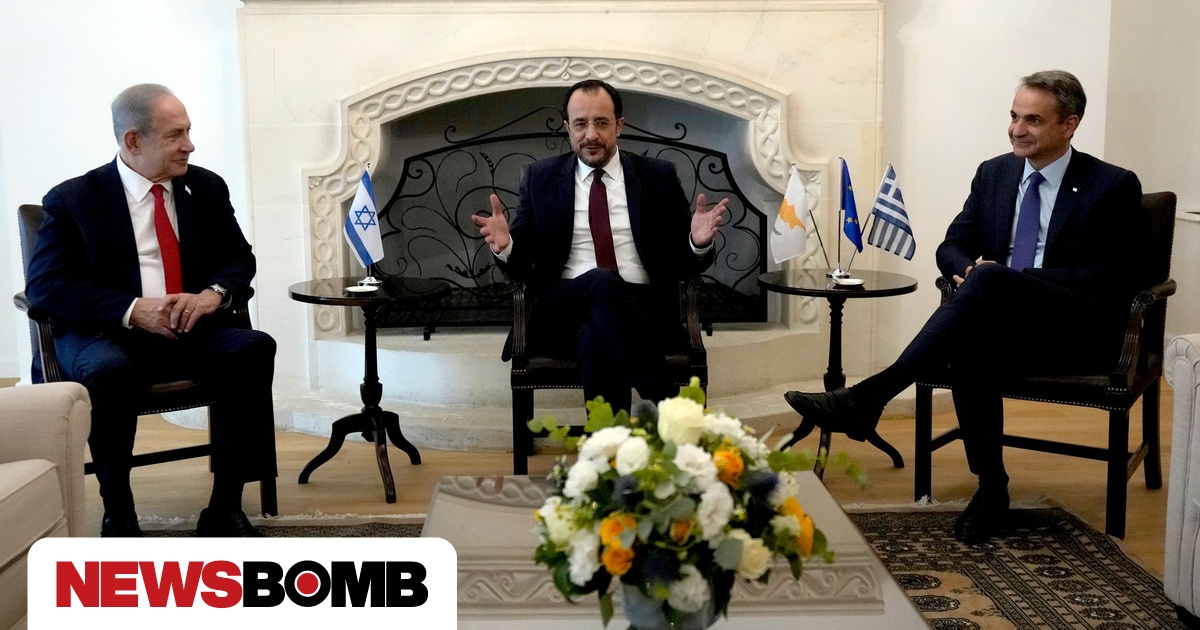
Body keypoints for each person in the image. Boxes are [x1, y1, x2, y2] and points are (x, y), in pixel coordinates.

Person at [783, 70, 1146, 544]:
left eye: (1033, 120)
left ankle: (868, 399)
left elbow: (1110, 277)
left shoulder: (1112, 184)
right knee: (970, 340)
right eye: (1014, 116)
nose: (1017, 129)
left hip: (1076, 328)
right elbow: (951, 246)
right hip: (1002, 323)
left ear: (1069, 124)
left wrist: (1011, 279)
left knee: (990, 282)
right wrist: (972, 271)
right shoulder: (995, 173)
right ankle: (992, 488)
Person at [25, 84, 278, 537]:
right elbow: (46, 285)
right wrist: (132, 309)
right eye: (176, 134)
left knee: (255, 348)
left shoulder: (205, 187)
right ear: (134, 141)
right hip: (108, 334)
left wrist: (211, 295)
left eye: (189, 131)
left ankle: (224, 508)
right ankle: (119, 513)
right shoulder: (74, 199)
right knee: (111, 372)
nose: (189, 145)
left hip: (191, 326)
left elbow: (239, 257)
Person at [472, 79, 729, 413]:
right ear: (567, 128)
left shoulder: (657, 176)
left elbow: (684, 260)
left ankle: (609, 442)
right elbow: (521, 267)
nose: (590, 134)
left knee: (597, 340)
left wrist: (696, 242)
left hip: (642, 310)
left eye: (602, 123)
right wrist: (505, 247)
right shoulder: (541, 178)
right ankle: (673, 410)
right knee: (600, 280)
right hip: (563, 310)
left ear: (619, 125)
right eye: (580, 124)